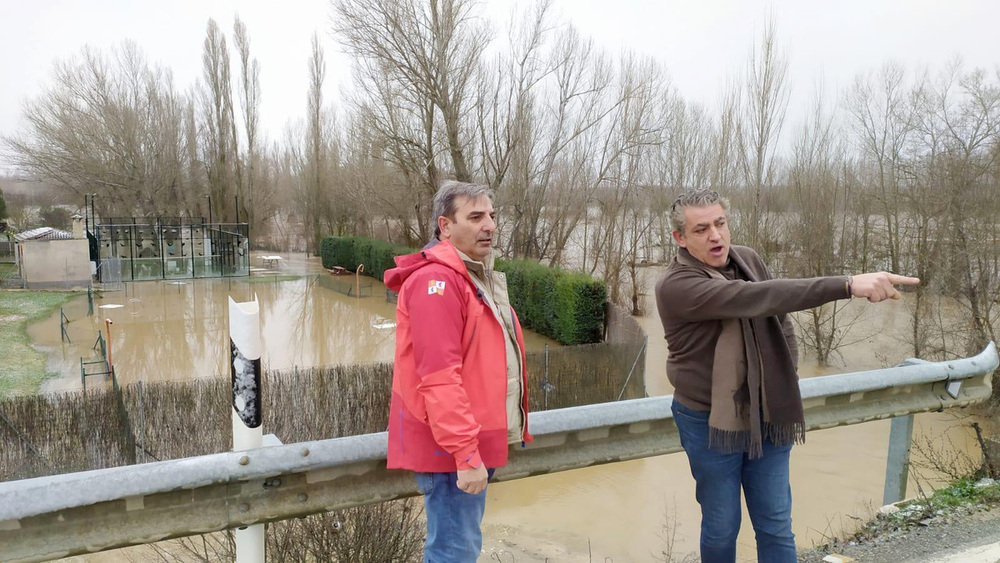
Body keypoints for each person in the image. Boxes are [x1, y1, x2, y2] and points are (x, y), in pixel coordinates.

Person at [655, 189, 919, 563]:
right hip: (707, 420)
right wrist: (845, 284)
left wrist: (782, 379)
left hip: (768, 411)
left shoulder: (748, 259)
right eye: (701, 229)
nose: (716, 235)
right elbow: (760, 297)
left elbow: (781, 321)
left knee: (776, 522)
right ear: (679, 238)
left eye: (720, 223)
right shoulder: (677, 285)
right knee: (721, 525)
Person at [384, 180, 531, 562]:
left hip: (468, 443)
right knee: (454, 552)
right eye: (476, 216)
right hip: (451, 450)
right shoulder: (438, 281)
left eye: (492, 216)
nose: (490, 226)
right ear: (444, 226)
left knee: (459, 547)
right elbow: (438, 377)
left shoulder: (472, 276)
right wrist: (466, 455)